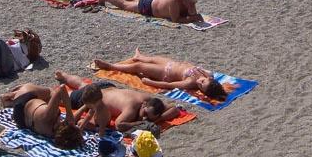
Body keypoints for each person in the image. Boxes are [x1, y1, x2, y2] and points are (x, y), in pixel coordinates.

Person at [54, 71, 183, 131]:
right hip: (96, 97)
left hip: (107, 87)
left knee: (83, 85)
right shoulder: (132, 108)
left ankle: (64, 76)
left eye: (148, 117)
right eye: (145, 114)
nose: (144, 119)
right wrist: (139, 123)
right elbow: (119, 125)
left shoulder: (151, 101)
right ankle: (49, 89)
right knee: (62, 98)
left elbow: (175, 109)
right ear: (144, 105)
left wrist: (156, 119)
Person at [93, 52, 227, 101]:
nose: (200, 83)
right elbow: (210, 74)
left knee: (139, 67)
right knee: (151, 59)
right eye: (203, 82)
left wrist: (150, 82)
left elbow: (169, 85)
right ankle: (139, 56)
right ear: (210, 79)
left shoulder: (190, 82)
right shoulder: (207, 74)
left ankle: (110, 66)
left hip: (165, 74)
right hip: (171, 64)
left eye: (201, 87)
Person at [0, 82, 83, 148]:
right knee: (47, 98)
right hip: (20, 120)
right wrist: (85, 106)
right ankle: (11, 100)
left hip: (24, 100)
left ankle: (11, 96)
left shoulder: (49, 116)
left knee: (50, 91)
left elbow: (61, 89)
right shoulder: (51, 134)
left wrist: (69, 113)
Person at [101, 0, 202, 24]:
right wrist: (192, 18)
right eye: (191, 3)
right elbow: (176, 19)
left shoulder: (185, 0)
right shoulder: (174, 1)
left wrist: (192, 9)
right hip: (149, 6)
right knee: (125, 5)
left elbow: (192, 13)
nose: (193, 5)